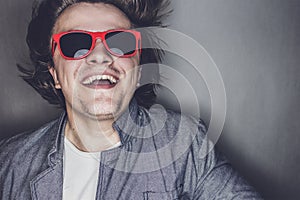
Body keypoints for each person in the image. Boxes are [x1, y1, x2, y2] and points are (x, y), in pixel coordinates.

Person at [0, 0, 262, 199]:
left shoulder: (184, 143)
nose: (100, 55)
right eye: (75, 43)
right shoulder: (10, 161)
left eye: (120, 42)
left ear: (137, 73)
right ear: (55, 75)